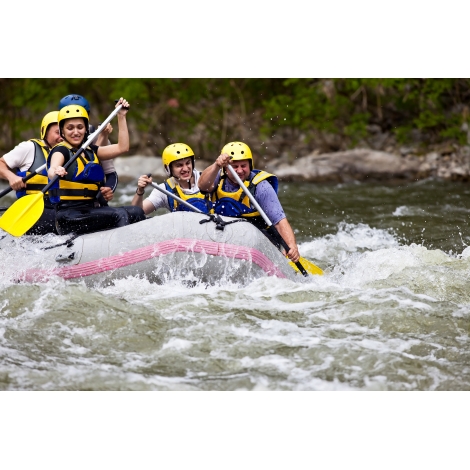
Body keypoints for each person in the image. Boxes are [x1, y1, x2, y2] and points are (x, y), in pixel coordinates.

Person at [0, 111, 111, 235]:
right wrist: (11, 177)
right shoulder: (29, 148)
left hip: (68, 207)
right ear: (45, 132)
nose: (61, 137)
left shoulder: (75, 153)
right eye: (57, 132)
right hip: (40, 209)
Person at [47, 98, 146, 236]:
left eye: (80, 127)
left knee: (137, 212)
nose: (76, 132)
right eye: (70, 128)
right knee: (119, 214)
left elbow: (122, 147)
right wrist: (56, 170)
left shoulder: (91, 150)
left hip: (89, 210)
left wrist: (121, 116)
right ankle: (123, 253)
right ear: (62, 131)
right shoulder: (61, 151)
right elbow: (52, 169)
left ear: (86, 129)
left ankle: (141, 249)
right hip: (68, 216)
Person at [198, 141, 301, 263]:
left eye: (243, 166)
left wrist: (291, 246)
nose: (240, 170)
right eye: (235, 166)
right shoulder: (217, 177)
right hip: (224, 239)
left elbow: (279, 221)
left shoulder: (261, 187)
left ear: (250, 165)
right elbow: (203, 186)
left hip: (258, 243)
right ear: (226, 168)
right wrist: (216, 165)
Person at [58, 94, 118, 204]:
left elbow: (110, 173)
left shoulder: (95, 136)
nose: (75, 131)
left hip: (91, 201)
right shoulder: (55, 139)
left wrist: (105, 192)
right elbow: (52, 170)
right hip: (66, 203)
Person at [131, 143, 212, 215]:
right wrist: (140, 191)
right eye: (179, 165)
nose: (185, 169)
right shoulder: (164, 190)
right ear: (168, 169)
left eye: (188, 163)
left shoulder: (210, 179)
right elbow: (136, 212)